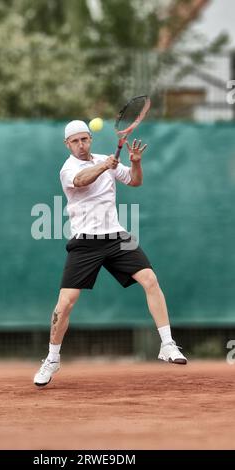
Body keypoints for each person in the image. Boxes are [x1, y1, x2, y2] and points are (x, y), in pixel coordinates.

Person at [34, 120, 187, 386]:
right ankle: (52, 358)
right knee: (65, 303)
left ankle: (167, 344)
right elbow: (81, 181)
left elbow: (135, 182)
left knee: (150, 279)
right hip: (85, 241)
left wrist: (136, 162)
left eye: (85, 139)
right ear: (67, 144)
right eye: (75, 141)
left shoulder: (106, 159)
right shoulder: (68, 168)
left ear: (91, 139)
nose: (81, 145)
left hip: (115, 236)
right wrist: (105, 166)